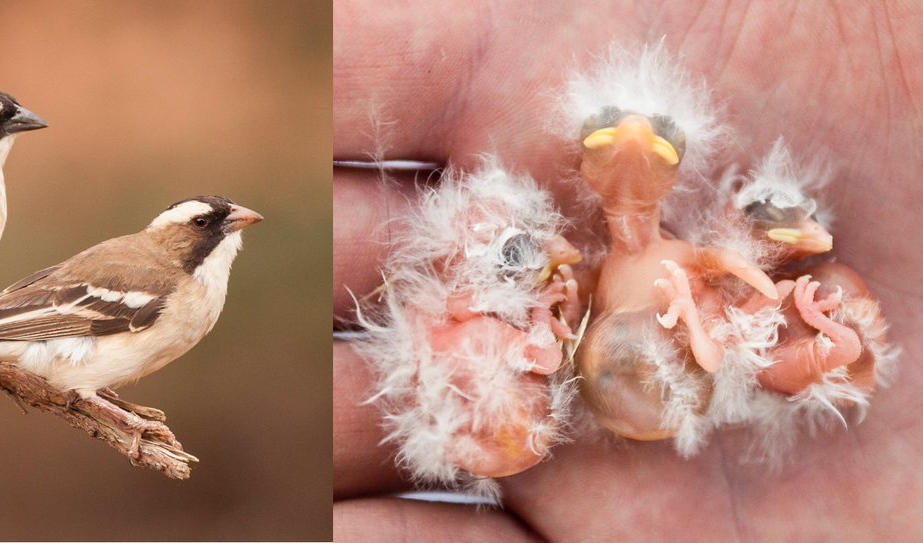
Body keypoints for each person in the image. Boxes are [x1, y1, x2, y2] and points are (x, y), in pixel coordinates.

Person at [332, 2, 923, 540]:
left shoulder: (690, 280)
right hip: (624, 366)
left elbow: (711, 339)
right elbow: (673, 329)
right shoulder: (662, 279)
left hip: (640, 366)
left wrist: (702, 307)